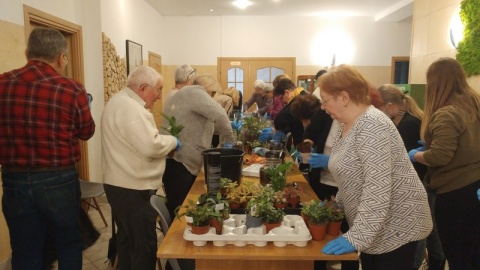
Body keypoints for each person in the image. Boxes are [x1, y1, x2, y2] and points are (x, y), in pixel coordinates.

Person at [317, 64, 432, 270]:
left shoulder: (371, 125)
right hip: (377, 225)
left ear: (344, 97)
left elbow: (377, 188)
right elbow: (349, 176)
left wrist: (357, 237)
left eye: (325, 101)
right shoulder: (347, 124)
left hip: (397, 225)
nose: (323, 107)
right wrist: (335, 207)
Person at [0, 27, 95, 269]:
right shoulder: (71, 88)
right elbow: (87, 132)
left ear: (27, 52)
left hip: (14, 180)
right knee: (68, 243)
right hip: (59, 179)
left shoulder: (2, 83)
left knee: (24, 248)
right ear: (62, 57)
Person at [101, 66, 179, 270]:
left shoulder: (119, 101)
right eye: (158, 90)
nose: (160, 96)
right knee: (144, 246)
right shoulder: (130, 108)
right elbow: (150, 146)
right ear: (143, 87)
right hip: (133, 188)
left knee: (127, 243)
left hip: (120, 185)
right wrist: (172, 142)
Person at [408, 57, 480, 270]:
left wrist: (417, 155)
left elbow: (440, 156)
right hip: (474, 188)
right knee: (473, 253)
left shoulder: (447, 113)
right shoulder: (473, 105)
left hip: (456, 193)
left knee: (458, 254)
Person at [378, 84, 445, 270]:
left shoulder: (409, 124)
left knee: (421, 230)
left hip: (418, 182)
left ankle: (422, 264)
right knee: (428, 227)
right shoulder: (403, 121)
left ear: (390, 105)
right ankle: (435, 261)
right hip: (420, 180)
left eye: (379, 107)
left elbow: (401, 159)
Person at [161, 74, 235, 219]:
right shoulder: (195, 92)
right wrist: (232, 142)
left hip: (174, 161)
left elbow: (199, 124)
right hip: (181, 163)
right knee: (182, 214)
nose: (212, 98)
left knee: (178, 208)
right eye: (212, 94)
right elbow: (219, 114)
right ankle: (176, 241)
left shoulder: (182, 94)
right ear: (207, 90)